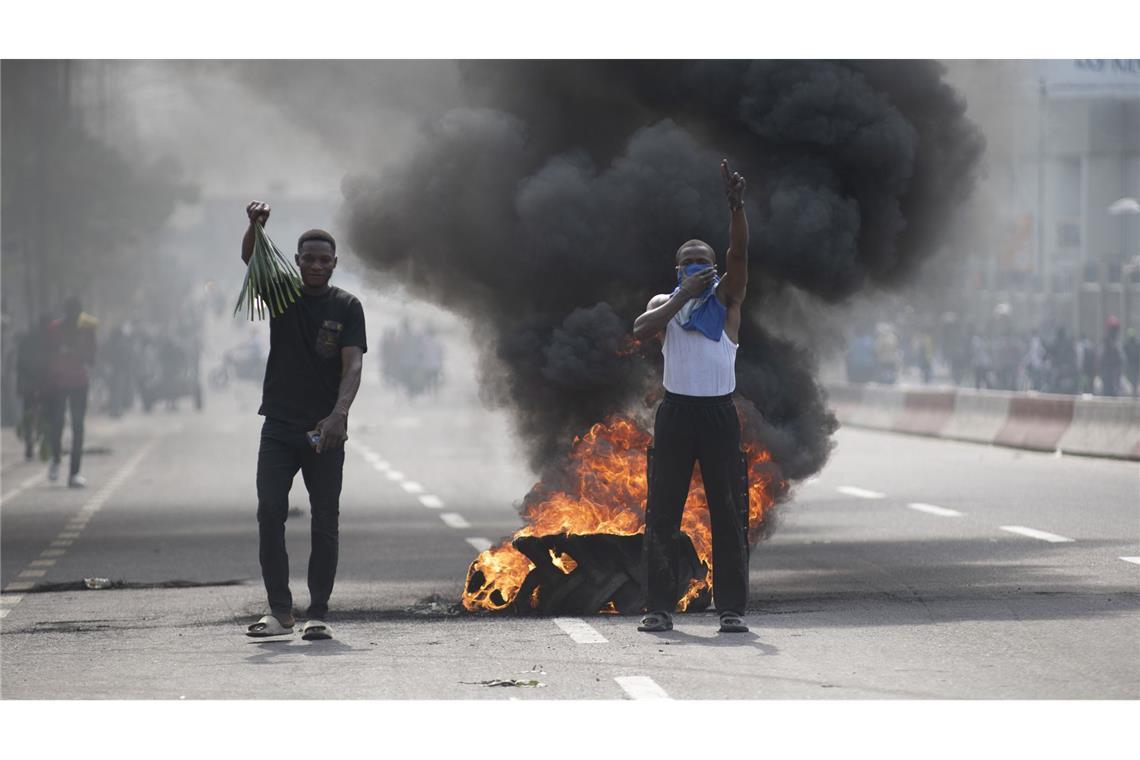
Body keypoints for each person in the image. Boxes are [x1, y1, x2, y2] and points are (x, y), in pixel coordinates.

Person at [631, 159, 750, 634]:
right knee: (663, 513)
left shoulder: (728, 302)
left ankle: (731, 610)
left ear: (715, 268)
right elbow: (640, 329)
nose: (696, 266)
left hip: (718, 416)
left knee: (727, 513)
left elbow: (740, 252)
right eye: (687, 262)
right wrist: (682, 295)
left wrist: (736, 207)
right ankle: (658, 608)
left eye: (703, 261)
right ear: (676, 269)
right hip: (676, 414)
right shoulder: (665, 305)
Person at [241, 200, 367, 642]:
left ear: (334, 264)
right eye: (308, 258)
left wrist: (338, 415)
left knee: (324, 520)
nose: (316, 265)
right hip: (277, 426)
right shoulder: (282, 294)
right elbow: (249, 261)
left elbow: (352, 367)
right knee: (270, 511)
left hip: (323, 431)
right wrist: (255, 226)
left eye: (324, 259)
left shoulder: (348, 307)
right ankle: (279, 611)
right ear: (296, 262)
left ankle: (317, 612)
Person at [43, 297, 97, 487]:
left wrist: (76, 353)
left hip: (79, 382)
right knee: (57, 423)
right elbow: (47, 355)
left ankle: (74, 473)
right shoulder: (54, 329)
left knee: (78, 427)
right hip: (58, 382)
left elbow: (92, 358)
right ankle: (56, 460)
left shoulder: (87, 330)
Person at [15, 314, 52, 461]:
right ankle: (41, 445)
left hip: (30, 383)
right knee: (44, 415)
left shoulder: (27, 340)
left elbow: (19, 364)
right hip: (41, 383)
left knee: (29, 414)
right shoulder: (48, 341)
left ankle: (30, 445)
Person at [1098, 316, 1124, 397]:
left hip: (1114, 373)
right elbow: (1101, 358)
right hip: (1107, 373)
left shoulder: (1117, 344)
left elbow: (1121, 359)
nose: (1114, 332)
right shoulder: (1106, 343)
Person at [1123, 328, 1140, 398]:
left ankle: (1134, 392)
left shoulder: (1129, 345)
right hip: (1133, 366)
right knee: (1133, 379)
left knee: (1133, 379)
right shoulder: (1129, 345)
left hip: (1133, 366)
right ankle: (1133, 392)